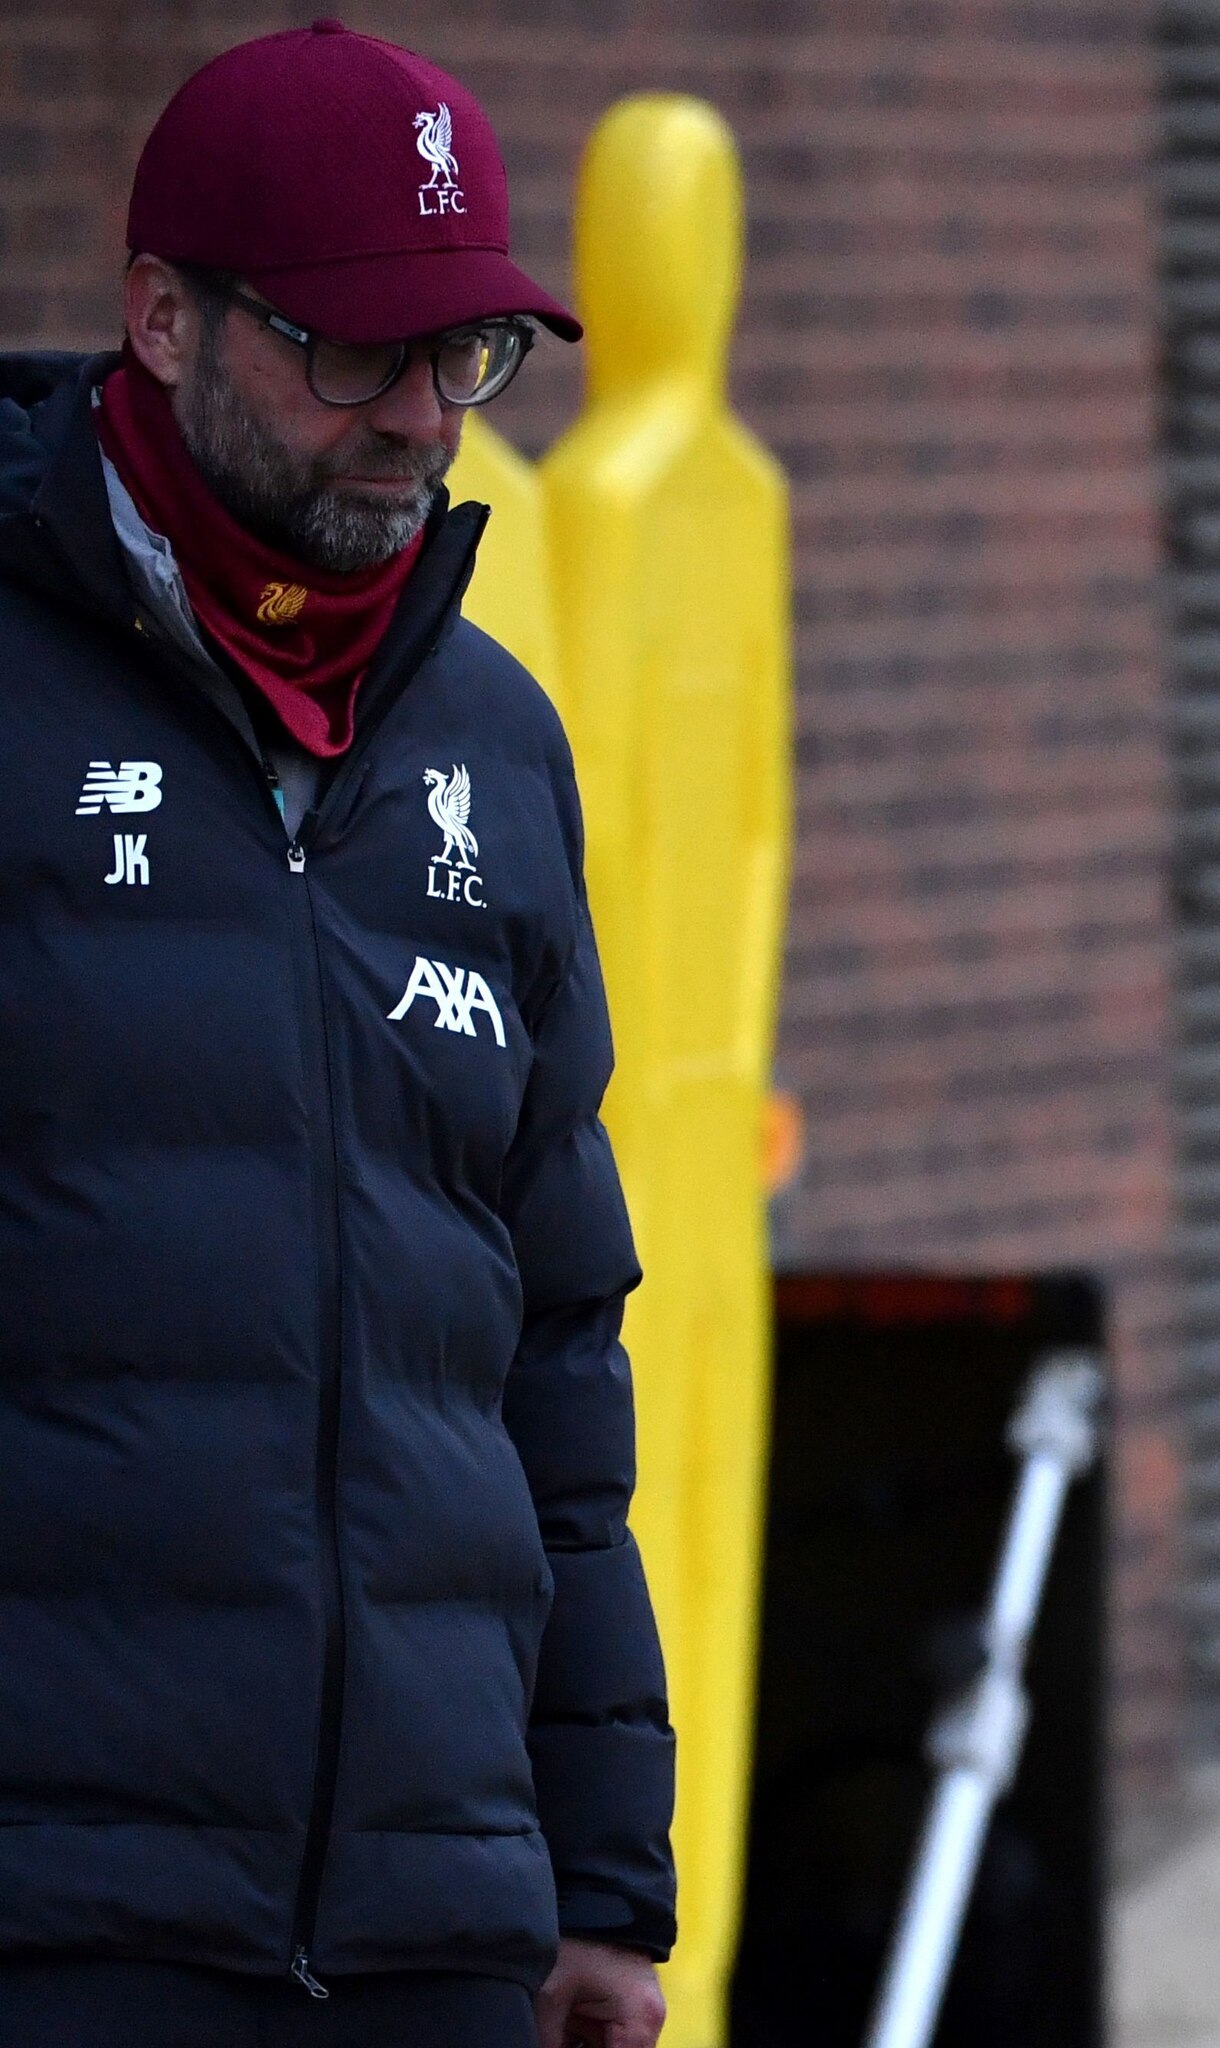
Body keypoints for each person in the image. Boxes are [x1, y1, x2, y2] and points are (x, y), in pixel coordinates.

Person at [0, 23, 673, 2047]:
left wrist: (598, 1876)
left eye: (465, 353)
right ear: (164, 319)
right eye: (355, 350)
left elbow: (552, 1342)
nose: (419, 419)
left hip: (433, 1928)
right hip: (67, 1917)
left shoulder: (497, 743)